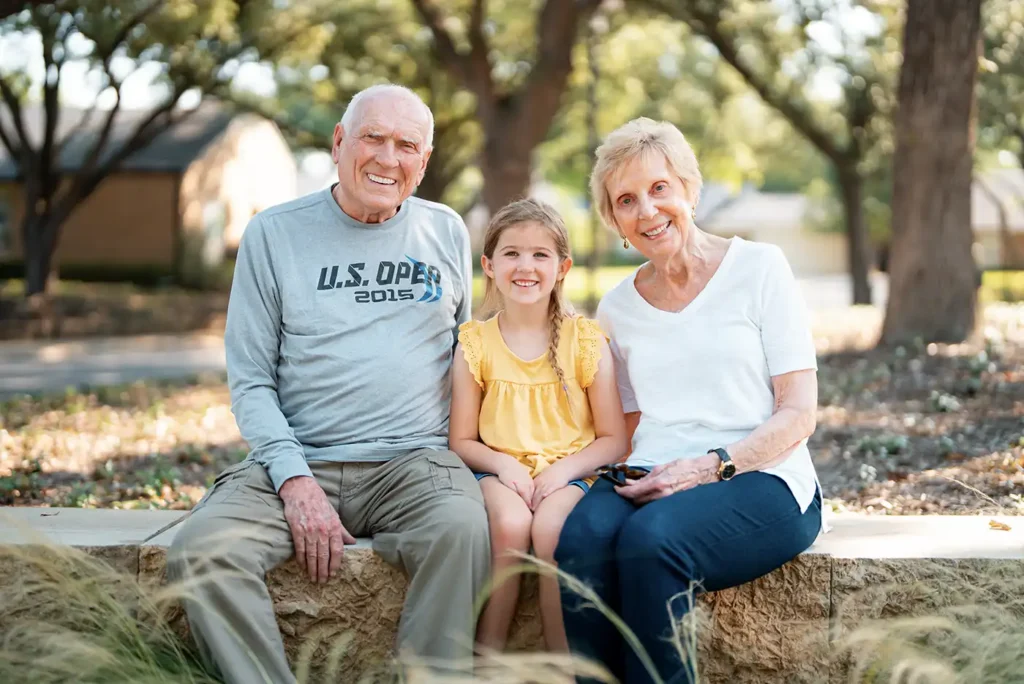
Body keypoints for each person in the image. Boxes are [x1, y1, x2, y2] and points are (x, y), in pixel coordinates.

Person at [166, 83, 490, 684]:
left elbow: (467, 356)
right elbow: (252, 380)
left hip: (412, 462)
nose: (387, 158)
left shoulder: (445, 231)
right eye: (373, 138)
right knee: (202, 550)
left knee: (464, 530)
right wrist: (294, 479)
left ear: (423, 162)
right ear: (340, 142)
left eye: (406, 146)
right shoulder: (274, 234)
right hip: (296, 458)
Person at [555, 117, 824, 684]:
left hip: (762, 475)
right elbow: (627, 427)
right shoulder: (617, 308)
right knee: (580, 542)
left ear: (689, 190)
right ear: (615, 222)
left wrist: (709, 467)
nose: (647, 211)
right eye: (626, 200)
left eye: (659, 189)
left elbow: (799, 411)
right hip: (649, 469)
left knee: (652, 544)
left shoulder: (760, 268)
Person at [449, 198, 627, 653]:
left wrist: (561, 472)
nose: (525, 266)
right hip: (498, 471)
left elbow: (613, 438)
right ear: (488, 265)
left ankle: (560, 663)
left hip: (569, 471)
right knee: (509, 527)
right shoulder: (475, 342)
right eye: (511, 253)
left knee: (549, 529)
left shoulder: (585, 340)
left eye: (540, 254)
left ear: (562, 266)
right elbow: (462, 440)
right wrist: (505, 467)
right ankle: (487, 657)